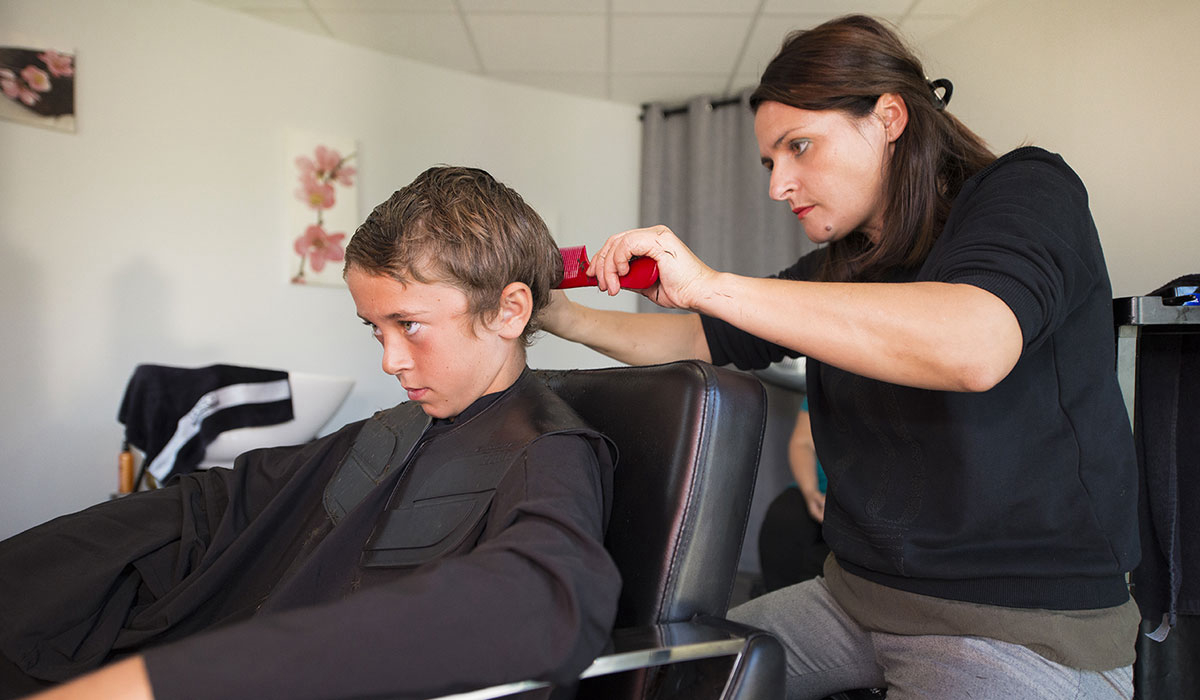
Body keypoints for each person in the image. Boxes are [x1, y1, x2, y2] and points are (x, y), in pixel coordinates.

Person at [542, 14, 1139, 700]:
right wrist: (559, 312)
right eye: (771, 162)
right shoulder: (838, 269)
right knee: (667, 682)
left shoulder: (1029, 192)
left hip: (1020, 624)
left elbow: (974, 345)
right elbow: (687, 339)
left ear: (888, 118)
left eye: (800, 147)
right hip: (854, 600)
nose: (778, 186)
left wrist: (711, 284)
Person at [0, 166, 622, 700]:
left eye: (409, 324)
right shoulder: (399, 428)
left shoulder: (549, 451)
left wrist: (172, 680)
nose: (391, 360)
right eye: (376, 329)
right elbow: (223, 505)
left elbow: (544, 596)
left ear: (510, 310)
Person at [757, 397, 829, 593]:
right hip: (817, 492)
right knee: (783, 520)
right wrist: (810, 491)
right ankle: (772, 597)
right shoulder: (828, 381)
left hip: (860, 502)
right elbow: (803, 442)